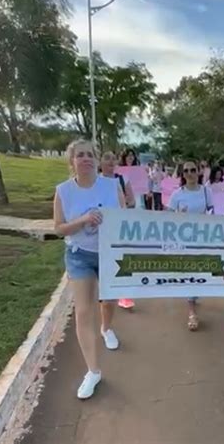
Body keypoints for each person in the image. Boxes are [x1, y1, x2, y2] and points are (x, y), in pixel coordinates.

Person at [54, 140, 125, 399]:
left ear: (96, 160)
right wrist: (83, 220)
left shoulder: (111, 185)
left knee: (108, 301)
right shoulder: (63, 191)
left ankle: (107, 328)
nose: (85, 159)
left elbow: (125, 218)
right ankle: (93, 371)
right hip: (79, 256)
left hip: (109, 254)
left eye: (89, 155)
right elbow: (59, 228)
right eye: (79, 155)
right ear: (72, 161)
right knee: (83, 312)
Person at [168, 160, 214, 331]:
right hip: (184, 240)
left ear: (198, 172)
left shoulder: (206, 191)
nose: (189, 173)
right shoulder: (176, 195)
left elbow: (212, 211)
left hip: (203, 238)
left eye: (193, 170)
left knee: (200, 270)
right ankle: (191, 313)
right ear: (182, 174)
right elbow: (168, 217)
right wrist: (179, 216)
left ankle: (193, 296)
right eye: (186, 171)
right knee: (189, 270)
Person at [117, 149, 140, 309]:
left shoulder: (127, 176)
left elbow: (133, 200)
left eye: (132, 156)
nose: (130, 158)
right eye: (128, 156)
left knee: (126, 251)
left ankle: (125, 294)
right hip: (113, 219)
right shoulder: (116, 176)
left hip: (132, 213)